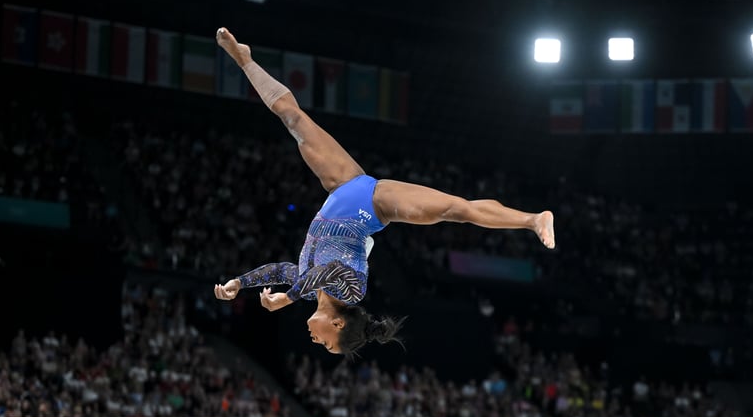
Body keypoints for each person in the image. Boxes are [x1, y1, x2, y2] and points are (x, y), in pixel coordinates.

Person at [213, 27, 555, 357]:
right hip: (373, 206)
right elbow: (326, 272)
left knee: (294, 119)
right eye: (329, 345)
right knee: (455, 209)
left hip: (343, 186)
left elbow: (283, 270)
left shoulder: (306, 290)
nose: (317, 342)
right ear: (338, 324)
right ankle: (531, 219)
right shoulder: (351, 293)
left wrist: (240, 284)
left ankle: (245, 60)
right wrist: (287, 298)